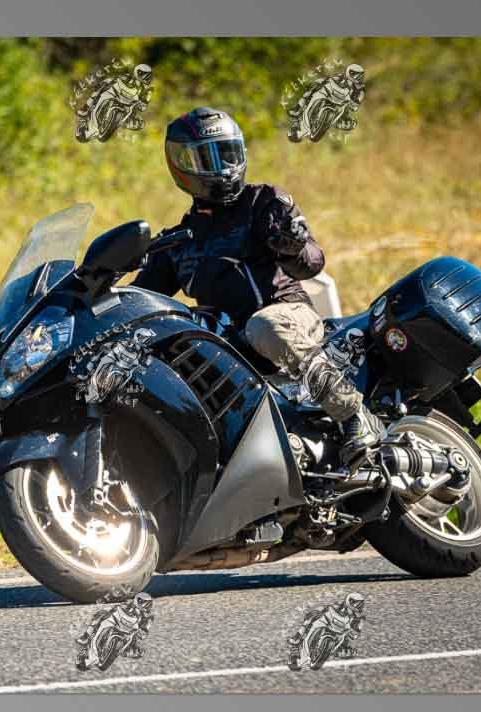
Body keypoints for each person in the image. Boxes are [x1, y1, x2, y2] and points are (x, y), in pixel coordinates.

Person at [133, 107, 384, 463]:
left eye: (227, 154)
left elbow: (313, 263)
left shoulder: (264, 202)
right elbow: (139, 299)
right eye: (207, 158)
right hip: (232, 345)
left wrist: (293, 247)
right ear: (181, 166)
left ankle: (354, 413)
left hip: (287, 317)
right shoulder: (179, 241)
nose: (222, 168)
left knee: (264, 325)